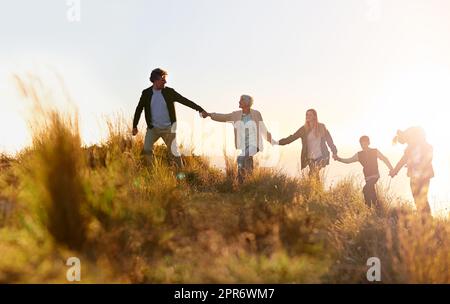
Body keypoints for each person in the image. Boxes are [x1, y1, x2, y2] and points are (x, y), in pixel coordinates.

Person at [132, 68, 207, 176]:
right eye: (163, 80)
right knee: (147, 150)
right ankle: (155, 174)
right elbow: (139, 109)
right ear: (155, 80)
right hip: (153, 129)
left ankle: (181, 177)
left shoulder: (169, 92)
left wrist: (200, 109)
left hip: (168, 129)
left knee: (174, 153)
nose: (165, 82)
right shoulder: (146, 93)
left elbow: (184, 100)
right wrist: (135, 126)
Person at [202, 95, 273, 184]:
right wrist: (210, 114)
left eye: (241, 100)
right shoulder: (236, 115)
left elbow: (263, 128)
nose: (239, 102)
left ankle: (240, 181)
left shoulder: (256, 114)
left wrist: (272, 140)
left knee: (241, 158)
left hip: (255, 144)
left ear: (247, 103)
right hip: (244, 145)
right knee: (247, 162)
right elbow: (223, 117)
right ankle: (249, 183)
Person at [274, 109, 337, 178]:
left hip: (322, 156)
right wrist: (277, 142)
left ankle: (314, 187)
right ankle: (317, 188)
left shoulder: (321, 127)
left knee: (313, 173)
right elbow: (291, 138)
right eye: (306, 114)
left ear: (314, 116)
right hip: (310, 158)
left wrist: (334, 152)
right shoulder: (303, 129)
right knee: (313, 175)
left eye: (310, 115)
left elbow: (330, 141)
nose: (307, 116)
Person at [336, 135, 394, 208]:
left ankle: (368, 208)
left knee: (365, 189)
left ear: (368, 143)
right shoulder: (359, 154)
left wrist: (391, 169)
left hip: (375, 176)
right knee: (372, 193)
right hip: (367, 177)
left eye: (365, 143)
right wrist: (339, 159)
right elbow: (348, 161)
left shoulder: (374, 151)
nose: (363, 145)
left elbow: (384, 159)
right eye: (361, 143)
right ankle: (378, 209)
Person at [390, 127, 434, 216]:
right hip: (424, 175)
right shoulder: (426, 146)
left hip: (418, 176)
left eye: (407, 140)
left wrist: (395, 171)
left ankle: (425, 219)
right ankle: (426, 220)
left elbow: (404, 160)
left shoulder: (412, 147)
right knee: (422, 197)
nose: (407, 142)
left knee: (419, 197)